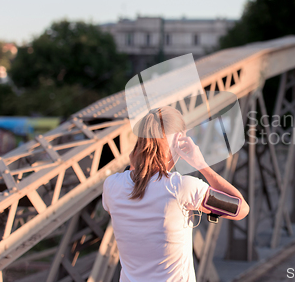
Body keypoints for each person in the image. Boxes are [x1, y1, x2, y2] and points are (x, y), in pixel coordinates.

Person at [102, 107, 250, 282]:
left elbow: (136, 186)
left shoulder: (111, 186)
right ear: (179, 140)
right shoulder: (182, 187)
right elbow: (241, 209)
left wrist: (137, 161)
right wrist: (201, 164)